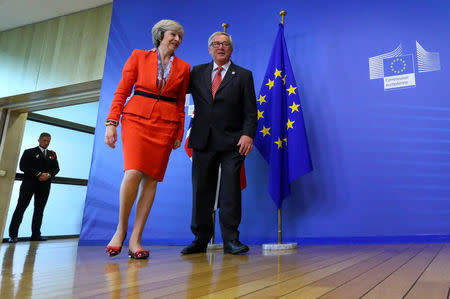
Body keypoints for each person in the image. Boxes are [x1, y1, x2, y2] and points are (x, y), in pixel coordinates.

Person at [104, 19, 190, 259]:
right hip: (135, 120)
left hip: (166, 124)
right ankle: (121, 229)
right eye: (173, 34)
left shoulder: (184, 67)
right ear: (160, 35)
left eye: (180, 37)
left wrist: (178, 132)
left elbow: (181, 103)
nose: (177, 40)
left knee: (151, 181)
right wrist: (111, 123)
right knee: (132, 172)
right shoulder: (138, 56)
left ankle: (136, 239)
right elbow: (122, 90)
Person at [182, 32, 257, 255]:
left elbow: (251, 111)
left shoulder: (243, 75)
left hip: (233, 142)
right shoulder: (196, 72)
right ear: (209, 49)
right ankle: (200, 239)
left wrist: (248, 135)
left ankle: (231, 240)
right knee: (201, 190)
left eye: (225, 44)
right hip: (203, 140)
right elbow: (176, 92)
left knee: (230, 192)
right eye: (216, 44)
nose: (220, 47)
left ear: (231, 49)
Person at [8, 132, 60, 243]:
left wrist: (49, 175)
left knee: (39, 210)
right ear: (39, 140)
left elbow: (56, 168)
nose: (46, 142)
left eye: (48, 141)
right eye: (44, 140)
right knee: (20, 208)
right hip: (29, 184)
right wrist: (38, 174)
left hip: (44, 186)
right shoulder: (29, 152)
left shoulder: (52, 154)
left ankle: (36, 235)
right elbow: (23, 166)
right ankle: (12, 235)